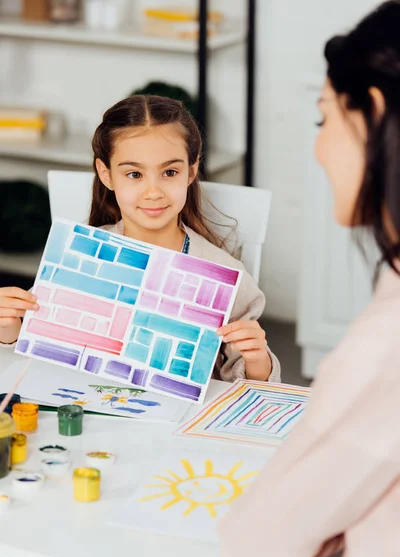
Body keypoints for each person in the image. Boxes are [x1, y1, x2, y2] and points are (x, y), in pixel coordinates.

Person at [219, 3, 400, 557]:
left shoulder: (386, 344)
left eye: (324, 120)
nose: (319, 150)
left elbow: (256, 544)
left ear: (371, 113)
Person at [0, 95, 280, 383]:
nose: (153, 191)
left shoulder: (227, 274)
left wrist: (257, 358)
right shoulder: (77, 257)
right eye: (134, 174)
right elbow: (35, 357)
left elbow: (250, 384)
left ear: (191, 172)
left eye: (169, 172)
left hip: (174, 423)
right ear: (106, 175)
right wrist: (9, 327)